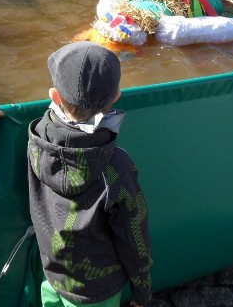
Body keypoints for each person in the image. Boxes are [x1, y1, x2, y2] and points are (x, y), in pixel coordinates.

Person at [28, 41, 152, 307]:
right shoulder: (115, 166)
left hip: (52, 278)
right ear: (117, 95)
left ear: (54, 96)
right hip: (98, 293)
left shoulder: (37, 139)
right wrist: (142, 289)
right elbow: (134, 235)